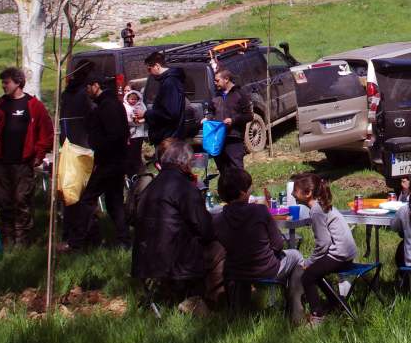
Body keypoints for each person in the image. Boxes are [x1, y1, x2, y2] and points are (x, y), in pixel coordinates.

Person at [131, 140, 223, 313]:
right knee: (219, 248)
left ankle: (177, 295)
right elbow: (206, 231)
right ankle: (211, 302)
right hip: (174, 261)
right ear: (184, 164)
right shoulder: (185, 188)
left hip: (144, 260)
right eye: (190, 163)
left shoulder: (149, 188)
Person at [212, 167, 304, 322]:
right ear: (242, 193)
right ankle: (296, 312)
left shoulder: (218, 220)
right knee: (296, 255)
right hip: (266, 268)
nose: (250, 192)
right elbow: (278, 244)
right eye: (249, 188)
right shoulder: (260, 211)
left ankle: (238, 314)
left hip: (236, 270)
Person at [0, 67, 53, 247]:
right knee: (4, 200)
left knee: (21, 200)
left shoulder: (33, 105)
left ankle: (22, 241)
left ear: (17, 83)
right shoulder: (1, 103)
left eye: (6, 82)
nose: (3, 86)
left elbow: (46, 133)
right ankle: (8, 240)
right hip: (2, 161)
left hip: (23, 163)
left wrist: (39, 154)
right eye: (2, 82)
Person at [65, 75, 131, 250]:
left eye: (87, 88)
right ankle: (124, 240)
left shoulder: (108, 106)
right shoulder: (107, 105)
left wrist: (99, 149)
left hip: (109, 161)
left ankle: (77, 241)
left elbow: (114, 135)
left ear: (95, 86)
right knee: (114, 201)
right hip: (115, 160)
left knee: (88, 199)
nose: (86, 92)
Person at [292, 173, 357, 326]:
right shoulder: (321, 205)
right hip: (347, 252)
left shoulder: (316, 210)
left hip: (339, 254)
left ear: (308, 193)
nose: (292, 194)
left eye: (295, 190)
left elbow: (323, 244)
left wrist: (308, 262)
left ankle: (317, 316)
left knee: (307, 276)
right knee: (316, 272)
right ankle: (337, 303)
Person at [210, 68, 252, 173]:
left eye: (217, 80)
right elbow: (211, 111)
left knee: (236, 169)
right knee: (222, 169)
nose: (215, 83)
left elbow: (248, 116)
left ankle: (242, 188)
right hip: (218, 138)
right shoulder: (216, 95)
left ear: (226, 79)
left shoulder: (240, 94)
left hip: (234, 138)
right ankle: (227, 189)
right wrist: (207, 118)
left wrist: (233, 120)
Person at [143, 51, 187, 146]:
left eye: (149, 69)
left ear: (157, 66)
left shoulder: (170, 82)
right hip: (169, 136)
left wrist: (147, 114)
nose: (149, 73)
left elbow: (170, 113)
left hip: (169, 138)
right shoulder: (169, 81)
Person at [124, 89, 148, 176]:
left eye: (135, 99)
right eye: (131, 99)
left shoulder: (141, 105)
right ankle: (130, 172)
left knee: (137, 152)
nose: (133, 101)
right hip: (131, 135)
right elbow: (127, 120)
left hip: (139, 134)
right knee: (130, 153)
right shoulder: (125, 107)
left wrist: (142, 120)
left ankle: (137, 170)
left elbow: (145, 115)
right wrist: (134, 121)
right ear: (127, 99)